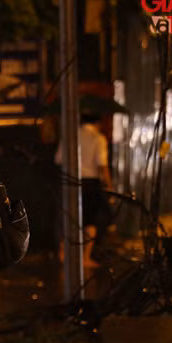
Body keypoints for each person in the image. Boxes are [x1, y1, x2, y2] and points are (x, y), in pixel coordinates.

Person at [55, 113, 113, 266]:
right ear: (97, 123)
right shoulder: (98, 138)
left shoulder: (69, 137)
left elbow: (58, 159)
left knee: (68, 217)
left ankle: (63, 253)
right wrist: (109, 186)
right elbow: (102, 165)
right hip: (90, 183)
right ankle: (85, 257)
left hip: (69, 180)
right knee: (90, 221)